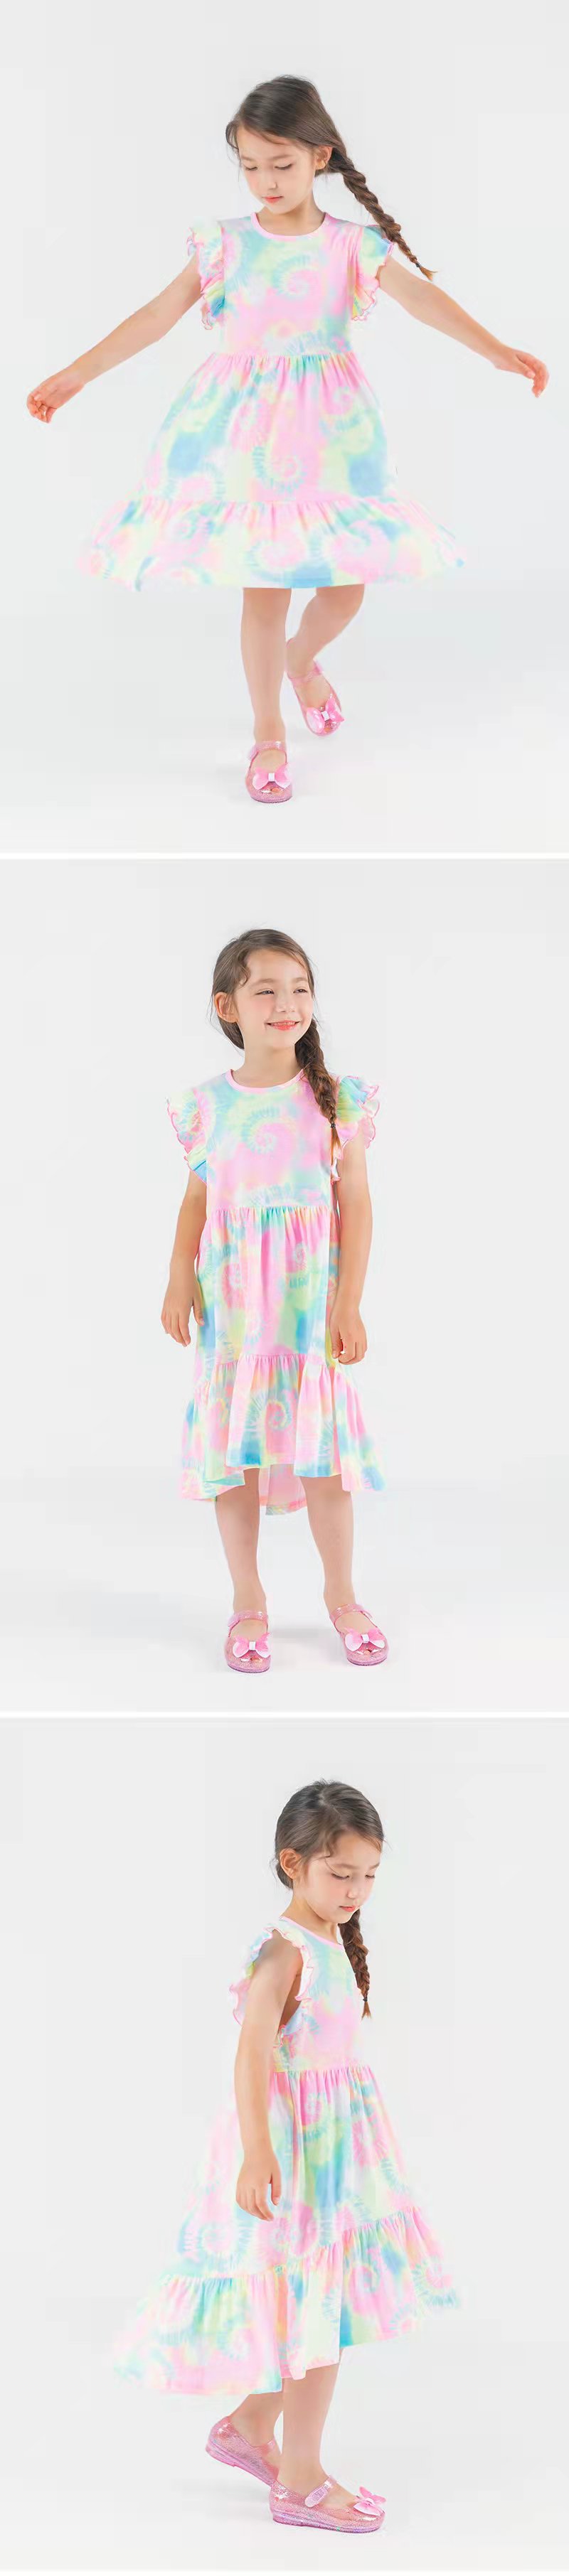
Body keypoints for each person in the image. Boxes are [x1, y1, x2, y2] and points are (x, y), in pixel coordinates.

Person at [26, 75, 548, 803]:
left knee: (345, 587)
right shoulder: (225, 244)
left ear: (319, 157)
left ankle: (302, 661)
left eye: (282, 164)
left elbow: (424, 300)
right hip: (242, 436)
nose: (266, 181)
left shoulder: (351, 247)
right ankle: (267, 731)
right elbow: (156, 315)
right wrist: (76, 374)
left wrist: (495, 351)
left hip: (332, 434)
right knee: (265, 589)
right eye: (250, 165)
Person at [115, 1778, 457, 2536]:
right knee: (315, 2309)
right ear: (291, 1864)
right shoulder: (283, 1949)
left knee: (320, 2307)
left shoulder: (332, 1940)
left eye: (369, 1876)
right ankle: (299, 2479)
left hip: (337, 2156)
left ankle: (248, 2429)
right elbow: (251, 2056)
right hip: (295, 2156)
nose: (355, 1891)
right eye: (341, 1874)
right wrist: (257, 2154)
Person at [162, 926, 387, 1670]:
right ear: (227, 1006)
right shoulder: (207, 1106)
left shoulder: (336, 1101)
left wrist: (348, 1303)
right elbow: (197, 1200)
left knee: (323, 1457)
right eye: (265, 990)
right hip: (233, 1313)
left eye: (299, 988)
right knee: (237, 1455)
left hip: (306, 1307)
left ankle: (341, 1595)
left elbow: (356, 1205)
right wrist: (178, 1274)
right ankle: (248, 1599)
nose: (286, 1003)